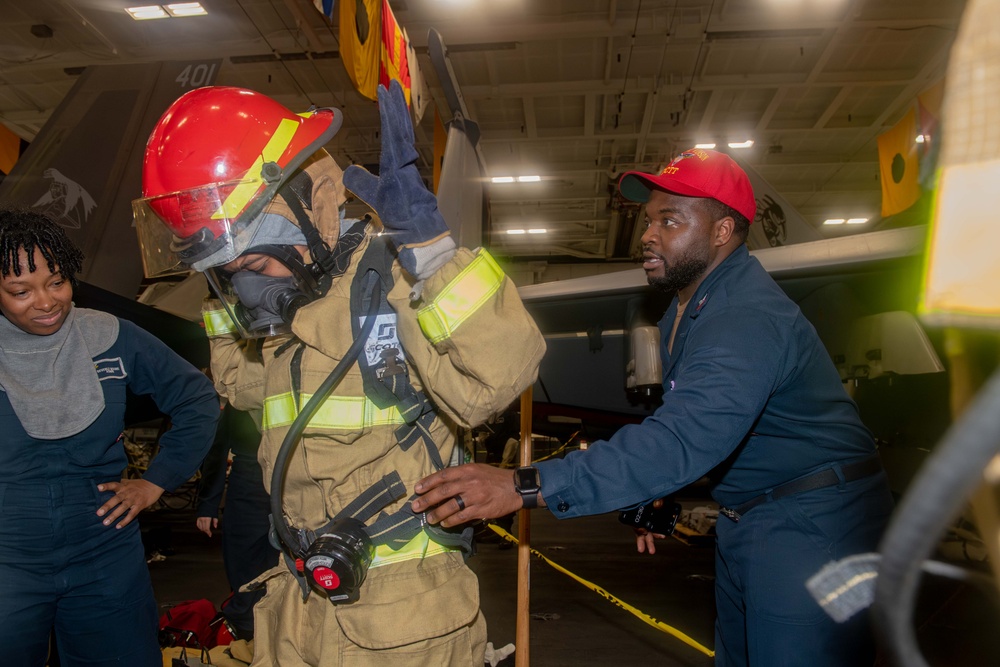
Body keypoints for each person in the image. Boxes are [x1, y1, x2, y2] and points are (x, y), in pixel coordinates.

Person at [411, 148, 896, 667]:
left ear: (721, 231)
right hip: (752, 518)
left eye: (670, 221)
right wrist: (658, 493)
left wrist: (521, 485)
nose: (648, 235)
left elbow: (683, 439)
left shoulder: (746, 318)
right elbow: (697, 424)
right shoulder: (687, 310)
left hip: (813, 524)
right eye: (649, 221)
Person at [133, 80, 544, 665]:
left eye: (250, 263)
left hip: (404, 623)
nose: (244, 289)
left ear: (303, 212)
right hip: (297, 609)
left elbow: (497, 378)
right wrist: (221, 298)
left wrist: (432, 257)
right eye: (223, 273)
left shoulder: (395, 278)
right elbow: (243, 391)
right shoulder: (283, 308)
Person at [0, 206, 220, 666]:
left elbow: (197, 399)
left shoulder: (110, 336)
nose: (45, 302)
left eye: (56, 282)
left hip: (104, 552)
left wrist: (156, 480)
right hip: (9, 560)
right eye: (20, 291)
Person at [195, 401, 277, 641]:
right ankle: (244, 638)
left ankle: (279, 633)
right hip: (249, 480)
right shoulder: (241, 394)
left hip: (292, 481)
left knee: (286, 566)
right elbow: (217, 447)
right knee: (244, 567)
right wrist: (208, 504)